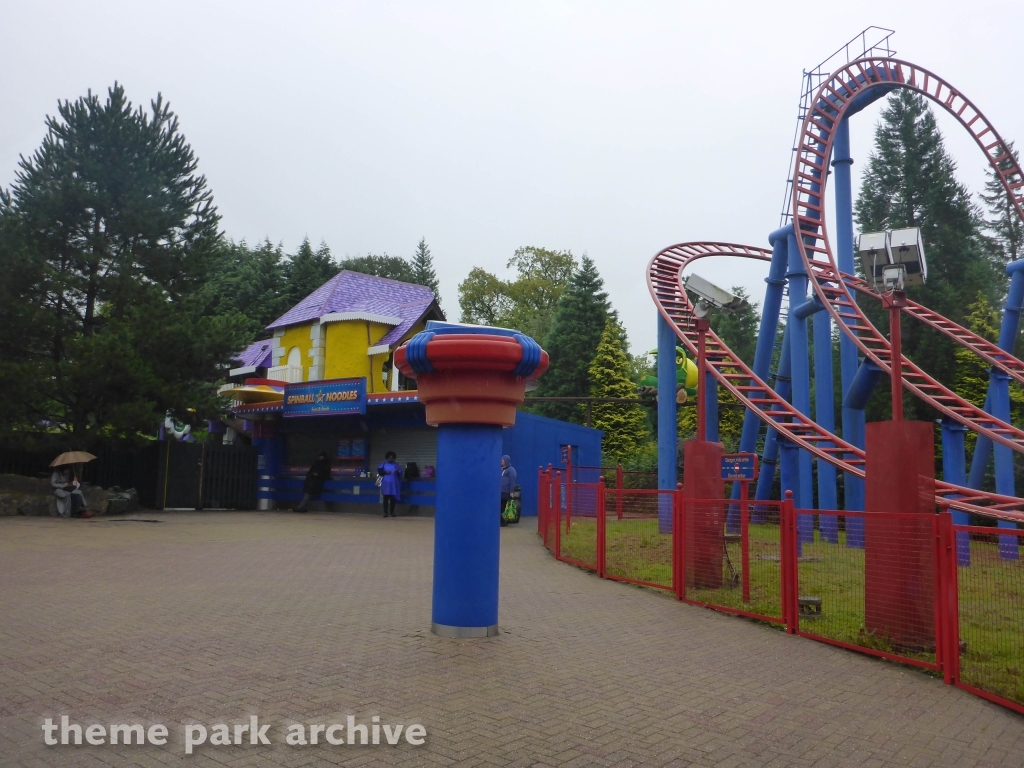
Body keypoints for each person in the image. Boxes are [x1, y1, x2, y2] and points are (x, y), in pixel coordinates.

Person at [377, 451, 402, 518]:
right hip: (386, 483)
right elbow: (380, 472)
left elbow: (400, 473)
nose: (390, 459)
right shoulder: (383, 464)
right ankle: (385, 513)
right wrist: (385, 472)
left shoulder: (396, 465)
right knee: (385, 498)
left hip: (393, 484)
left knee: (392, 499)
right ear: (387, 458)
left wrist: (397, 472)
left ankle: (392, 512)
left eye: (392, 458)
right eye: (389, 458)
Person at [500, 454, 517, 527]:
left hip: (506, 491)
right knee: (501, 506)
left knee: (505, 507)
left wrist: (511, 491)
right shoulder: (501, 469)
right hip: (500, 491)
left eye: (503, 460)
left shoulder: (511, 470)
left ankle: (505, 521)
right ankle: (501, 520)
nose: (501, 461)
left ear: (506, 461)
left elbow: (512, 480)